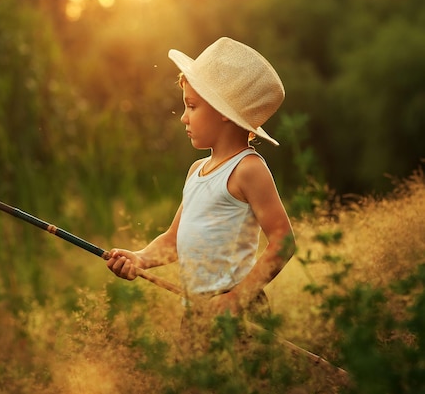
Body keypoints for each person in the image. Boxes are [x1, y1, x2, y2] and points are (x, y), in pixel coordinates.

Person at [106, 37, 296, 325]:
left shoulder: (247, 169)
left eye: (192, 106)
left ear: (223, 112)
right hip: (196, 310)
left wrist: (238, 297)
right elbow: (173, 239)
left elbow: (283, 241)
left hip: (236, 311)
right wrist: (140, 258)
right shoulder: (197, 170)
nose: (183, 117)